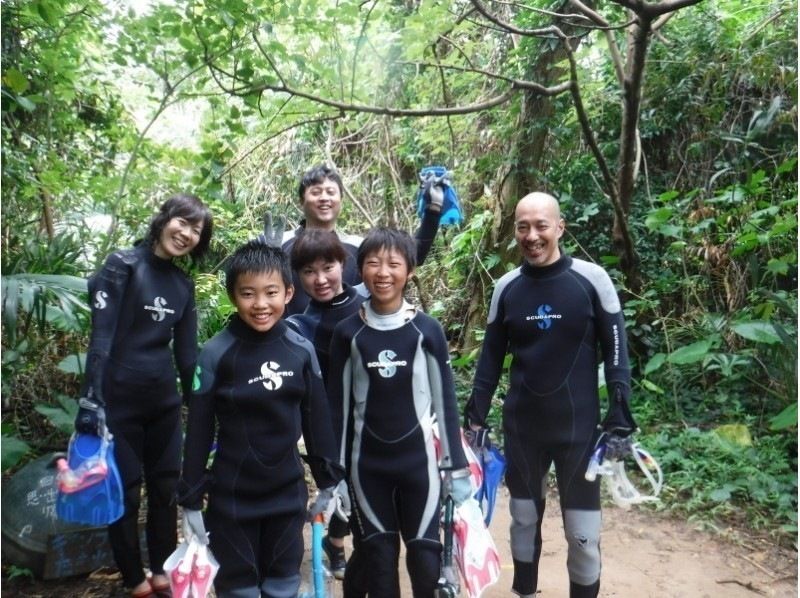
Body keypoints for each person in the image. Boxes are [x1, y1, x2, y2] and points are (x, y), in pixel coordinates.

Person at [463, 192, 637, 598]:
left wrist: (620, 417)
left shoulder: (591, 280)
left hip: (578, 430)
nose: (532, 235)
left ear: (560, 227)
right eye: (523, 226)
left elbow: (616, 354)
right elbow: (489, 363)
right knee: (522, 522)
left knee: (583, 538)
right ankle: (525, 592)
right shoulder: (506, 288)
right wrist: (474, 422)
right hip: (524, 427)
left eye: (541, 225)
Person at [177, 240, 346, 598]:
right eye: (248, 294)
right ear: (233, 296)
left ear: (288, 293)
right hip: (232, 500)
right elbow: (199, 429)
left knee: (283, 586)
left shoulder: (301, 350)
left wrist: (329, 481)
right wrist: (190, 497)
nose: (260, 305)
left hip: (286, 498)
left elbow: (317, 422)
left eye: (271, 292)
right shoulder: (215, 353)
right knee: (238, 590)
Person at [75, 193, 214, 598]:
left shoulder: (182, 284)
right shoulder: (122, 266)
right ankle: (135, 579)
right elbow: (100, 339)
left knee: (165, 489)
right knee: (127, 491)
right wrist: (91, 402)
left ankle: (162, 574)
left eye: (196, 230)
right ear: (164, 219)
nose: (186, 234)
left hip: (163, 403)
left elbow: (188, 357)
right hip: (117, 401)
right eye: (182, 222)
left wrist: (202, 404)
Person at [327, 227, 473, 598]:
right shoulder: (348, 333)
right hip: (366, 469)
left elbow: (445, 403)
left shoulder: (427, 331)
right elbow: (338, 411)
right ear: (360, 270)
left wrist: (454, 466)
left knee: (426, 561)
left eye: (394, 264)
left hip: (419, 467)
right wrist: (335, 475)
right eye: (373, 263)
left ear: (409, 271)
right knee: (378, 559)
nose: (383, 273)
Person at [285, 229, 368, 580]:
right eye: (308, 271)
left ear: (343, 264)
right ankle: (337, 544)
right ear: (297, 277)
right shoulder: (297, 325)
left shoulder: (369, 304)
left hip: (376, 419)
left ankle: (342, 546)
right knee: (340, 489)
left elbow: (409, 257)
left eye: (328, 267)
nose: (320, 279)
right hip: (331, 425)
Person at [279, 164, 444, 315]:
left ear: (341, 200)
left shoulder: (357, 247)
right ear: (302, 200)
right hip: (290, 341)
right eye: (316, 192)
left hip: (350, 341)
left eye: (331, 192)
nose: (324, 198)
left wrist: (433, 211)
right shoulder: (278, 243)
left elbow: (411, 256)